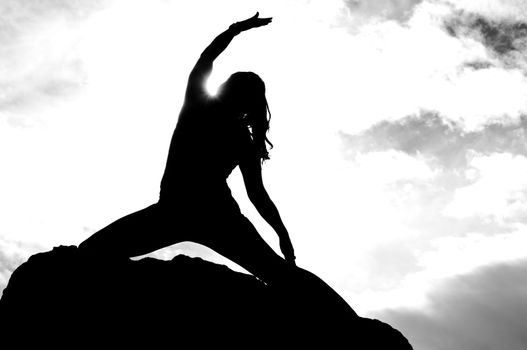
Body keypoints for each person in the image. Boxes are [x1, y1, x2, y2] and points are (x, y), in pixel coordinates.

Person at [79, 13, 296, 285]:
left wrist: (237, 29)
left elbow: (207, 58)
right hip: (201, 214)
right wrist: (282, 235)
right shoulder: (231, 130)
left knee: (88, 253)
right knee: (282, 275)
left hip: (193, 213)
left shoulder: (199, 106)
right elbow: (257, 195)